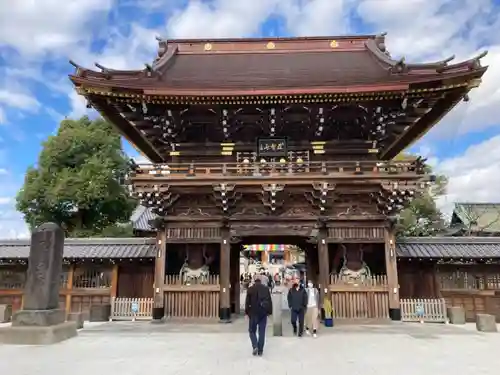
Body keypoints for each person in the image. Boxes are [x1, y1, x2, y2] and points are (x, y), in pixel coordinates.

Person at [245, 275, 273, 356]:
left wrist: (247, 313)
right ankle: (260, 350)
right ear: (261, 281)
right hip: (263, 313)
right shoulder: (265, 289)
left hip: (253, 313)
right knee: (262, 332)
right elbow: (269, 301)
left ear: (254, 281)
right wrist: (269, 312)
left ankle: (255, 346)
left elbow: (247, 302)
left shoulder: (250, 289)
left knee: (251, 330)